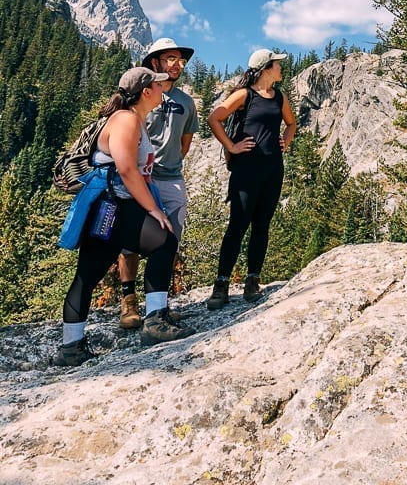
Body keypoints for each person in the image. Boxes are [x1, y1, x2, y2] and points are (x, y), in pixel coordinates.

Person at [55, 67, 195, 367]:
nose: (162, 88)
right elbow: (127, 169)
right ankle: (155, 322)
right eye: (157, 85)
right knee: (164, 242)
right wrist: (154, 210)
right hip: (115, 205)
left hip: (107, 210)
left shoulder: (134, 119)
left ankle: (71, 348)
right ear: (146, 91)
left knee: (86, 276)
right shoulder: (127, 119)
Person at [117, 38, 199, 329]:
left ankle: (158, 307)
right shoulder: (143, 95)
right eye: (171, 59)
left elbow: (185, 143)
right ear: (155, 62)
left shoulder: (186, 102)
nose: (178, 65)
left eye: (181, 60)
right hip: (138, 181)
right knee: (130, 244)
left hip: (172, 179)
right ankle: (129, 302)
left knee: (170, 241)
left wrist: (169, 163)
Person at [206, 49, 296, 309]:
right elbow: (215, 118)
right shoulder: (245, 95)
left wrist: (285, 143)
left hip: (272, 169)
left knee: (262, 225)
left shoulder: (279, 97)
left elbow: (291, 124)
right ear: (266, 67)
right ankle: (221, 284)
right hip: (246, 169)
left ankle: (252, 281)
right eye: (277, 64)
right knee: (237, 225)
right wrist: (231, 147)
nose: (281, 68)